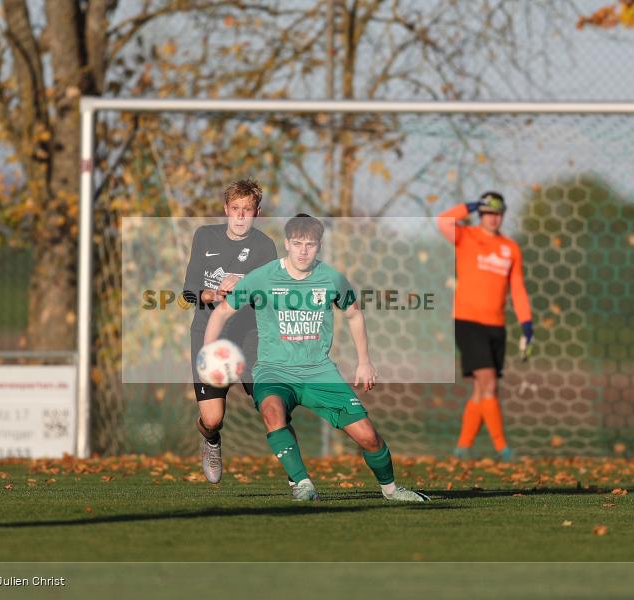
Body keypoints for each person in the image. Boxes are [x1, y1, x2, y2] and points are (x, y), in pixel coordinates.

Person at [204, 214, 428, 502]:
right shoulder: (263, 277)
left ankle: (391, 490)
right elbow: (223, 311)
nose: (303, 250)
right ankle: (302, 484)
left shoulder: (332, 278)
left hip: (319, 372)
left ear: (318, 246)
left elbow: (354, 314)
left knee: (368, 437)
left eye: (310, 244)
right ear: (286, 244)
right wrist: (209, 351)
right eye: (297, 243)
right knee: (272, 412)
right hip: (274, 371)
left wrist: (364, 361)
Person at [182, 180, 277, 483]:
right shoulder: (205, 237)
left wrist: (245, 287)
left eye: (247, 210)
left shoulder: (265, 246)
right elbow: (189, 290)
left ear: (256, 213)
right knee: (213, 418)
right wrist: (214, 294)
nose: (240, 216)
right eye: (235, 209)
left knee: (271, 404)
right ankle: (211, 440)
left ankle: (298, 479)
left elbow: (271, 296)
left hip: (249, 335)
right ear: (225, 210)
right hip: (208, 333)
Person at [436, 191, 533, 461]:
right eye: (488, 212)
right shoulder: (466, 236)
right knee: (488, 383)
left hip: (496, 325)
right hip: (467, 321)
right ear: (481, 213)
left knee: (484, 389)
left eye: (498, 213)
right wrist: (468, 206)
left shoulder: (511, 248)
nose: (494, 218)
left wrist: (527, 324)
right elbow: (443, 220)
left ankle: (462, 447)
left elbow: (518, 288)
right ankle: (503, 448)